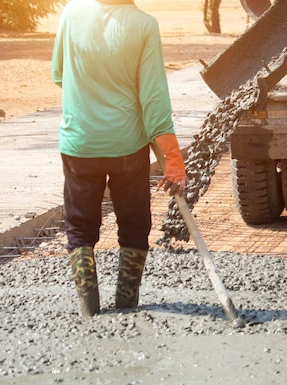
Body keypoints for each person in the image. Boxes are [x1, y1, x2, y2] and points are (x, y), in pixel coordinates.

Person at [51, 0, 187, 317]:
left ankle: (88, 309)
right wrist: (173, 158)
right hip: (126, 147)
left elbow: (59, 74)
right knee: (134, 225)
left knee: (80, 228)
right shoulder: (144, 25)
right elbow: (153, 100)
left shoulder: (71, 12)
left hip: (79, 144)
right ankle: (126, 306)